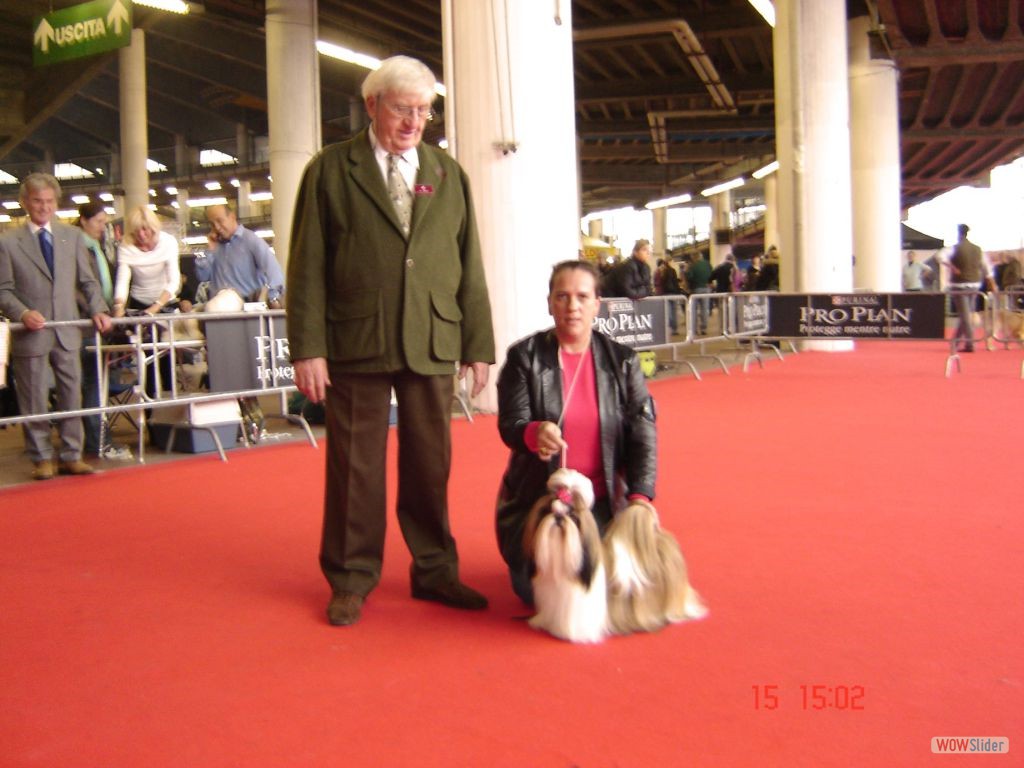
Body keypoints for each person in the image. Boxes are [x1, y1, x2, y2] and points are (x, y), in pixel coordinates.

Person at [286, 55, 496, 627]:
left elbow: (467, 262)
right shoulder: (330, 169)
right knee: (355, 467)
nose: (414, 121)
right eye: (403, 108)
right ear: (372, 104)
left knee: (432, 462)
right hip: (358, 338)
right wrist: (307, 346)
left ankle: (435, 570)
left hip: (432, 334)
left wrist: (478, 343)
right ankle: (351, 577)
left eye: (425, 110)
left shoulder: (447, 172)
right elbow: (306, 266)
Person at [495, 260, 656, 604]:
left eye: (583, 296)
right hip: (541, 500)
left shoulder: (623, 362)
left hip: (601, 502)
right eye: (562, 296)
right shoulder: (524, 358)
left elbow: (644, 432)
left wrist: (641, 497)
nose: (573, 306)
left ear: (598, 303)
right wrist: (533, 432)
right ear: (550, 302)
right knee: (534, 592)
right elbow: (511, 424)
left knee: (614, 587)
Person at [0, 172, 112, 480]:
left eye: (49, 201)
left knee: (71, 393)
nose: (44, 207)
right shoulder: (8, 242)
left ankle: (71, 455)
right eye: (37, 201)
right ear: (24, 202)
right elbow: (3, 289)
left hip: (67, 330)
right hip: (30, 333)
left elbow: (88, 282)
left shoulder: (72, 237)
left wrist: (98, 309)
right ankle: (42, 458)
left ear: (56, 203)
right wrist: (22, 313)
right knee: (33, 397)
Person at [111, 206, 182, 399]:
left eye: (147, 230)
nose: (142, 235)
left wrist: (156, 307)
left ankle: (168, 398)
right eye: (137, 231)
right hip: (138, 303)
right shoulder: (126, 246)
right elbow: (123, 280)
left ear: (154, 228)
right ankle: (150, 404)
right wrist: (118, 306)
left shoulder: (168, 242)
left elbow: (174, 281)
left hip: (164, 302)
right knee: (146, 358)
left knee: (165, 354)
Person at [76, 202, 118, 457]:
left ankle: (94, 439)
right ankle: (97, 440)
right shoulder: (79, 248)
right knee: (91, 383)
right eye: (99, 222)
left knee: (93, 382)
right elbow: (79, 287)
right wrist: (96, 310)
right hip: (84, 324)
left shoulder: (98, 248)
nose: (103, 227)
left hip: (100, 321)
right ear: (83, 220)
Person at [192, 204, 284, 309]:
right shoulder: (215, 246)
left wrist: (273, 298)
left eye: (220, 221)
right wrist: (209, 250)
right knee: (188, 320)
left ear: (232, 217)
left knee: (216, 306)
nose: (217, 227)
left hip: (245, 306)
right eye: (212, 224)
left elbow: (273, 271)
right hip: (216, 307)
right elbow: (202, 277)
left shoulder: (251, 240)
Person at [947, 223, 985, 352]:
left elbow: (940, 257)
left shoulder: (955, 248)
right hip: (974, 284)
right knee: (966, 315)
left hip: (959, 285)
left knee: (965, 316)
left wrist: (952, 267)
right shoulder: (977, 249)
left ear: (958, 233)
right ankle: (955, 342)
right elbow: (984, 266)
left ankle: (970, 344)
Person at [685, 252, 712, 334]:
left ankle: (694, 329)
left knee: (694, 310)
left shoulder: (693, 265)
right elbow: (711, 274)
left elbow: (689, 276)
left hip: (696, 289)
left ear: (694, 257)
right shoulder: (708, 264)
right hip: (706, 289)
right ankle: (704, 328)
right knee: (704, 309)